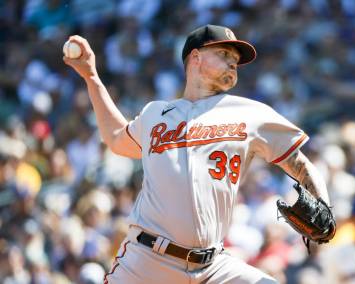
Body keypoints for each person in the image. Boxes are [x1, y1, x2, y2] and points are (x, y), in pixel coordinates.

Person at [64, 24, 332, 284]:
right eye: (224, 54)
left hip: (213, 266)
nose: (232, 64)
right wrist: (91, 77)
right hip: (147, 261)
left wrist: (324, 207)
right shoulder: (155, 113)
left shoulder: (250, 113)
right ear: (195, 57)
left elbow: (300, 164)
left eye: (236, 60)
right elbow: (115, 139)